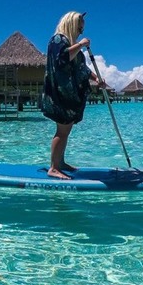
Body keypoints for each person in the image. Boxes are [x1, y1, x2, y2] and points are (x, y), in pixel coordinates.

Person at [39, 11, 104, 179]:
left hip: (69, 94)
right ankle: (53, 167)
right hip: (60, 93)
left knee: (65, 130)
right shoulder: (58, 40)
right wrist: (81, 44)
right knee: (62, 130)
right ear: (71, 24)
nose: (80, 32)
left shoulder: (70, 44)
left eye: (82, 30)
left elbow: (81, 68)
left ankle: (60, 162)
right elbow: (62, 58)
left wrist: (96, 78)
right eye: (79, 28)